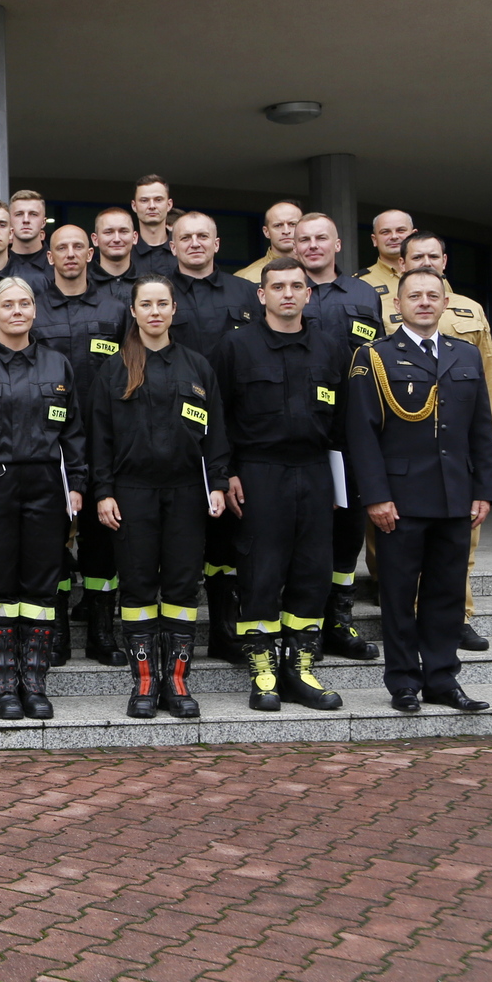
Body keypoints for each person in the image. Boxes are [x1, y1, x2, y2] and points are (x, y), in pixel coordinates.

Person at [345, 266, 492, 713]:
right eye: (416, 296)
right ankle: (404, 683)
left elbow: (480, 429)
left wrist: (483, 490)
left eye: (434, 295)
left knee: (447, 594)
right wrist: (375, 496)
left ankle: (442, 680)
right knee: (397, 595)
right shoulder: (374, 356)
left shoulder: (465, 355)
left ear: (446, 303)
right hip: (400, 499)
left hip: (455, 497)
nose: (425, 302)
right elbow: (362, 434)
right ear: (398, 304)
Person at [89, 275, 229, 719]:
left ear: (174, 310)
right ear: (133, 311)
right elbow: (100, 439)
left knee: (183, 586)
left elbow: (216, 434)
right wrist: (104, 493)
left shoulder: (197, 366)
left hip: (187, 493)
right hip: (132, 494)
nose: (154, 311)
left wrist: (218, 484)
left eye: (162, 303)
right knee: (137, 587)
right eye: (145, 304)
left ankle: (177, 681)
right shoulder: (113, 369)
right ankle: (145, 683)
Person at [215, 257, 348, 714]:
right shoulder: (236, 347)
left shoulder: (330, 348)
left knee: (313, 571)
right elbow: (218, 418)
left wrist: (340, 485)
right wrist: (226, 472)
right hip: (258, 471)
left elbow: (344, 424)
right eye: (278, 286)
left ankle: (301, 668)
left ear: (308, 295)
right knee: (261, 571)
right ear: (262, 295)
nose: (287, 293)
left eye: (296, 286)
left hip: (314, 471)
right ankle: (264, 670)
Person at [0, 275, 84, 720]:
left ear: (34, 310)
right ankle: (4, 683)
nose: (18, 311)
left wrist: (77, 485)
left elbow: (73, 432)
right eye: (8, 305)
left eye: (25, 303)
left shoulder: (57, 365)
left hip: (45, 484)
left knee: (42, 585)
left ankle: (35, 680)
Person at [379, 230, 492, 652]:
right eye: (417, 257)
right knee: (397, 572)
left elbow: (487, 389)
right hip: (405, 478)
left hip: (454, 475)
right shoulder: (379, 328)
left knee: (453, 569)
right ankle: (404, 677)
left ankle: (452, 642)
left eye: (433, 257)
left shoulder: (468, 324)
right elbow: (367, 424)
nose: (424, 298)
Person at [32, 223, 129, 665]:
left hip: (102, 441)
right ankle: (56, 636)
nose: (70, 254)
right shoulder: (32, 309)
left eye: (77, 247)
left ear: (90, 254)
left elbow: (132, 372)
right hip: (45, 444)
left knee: (100, 539)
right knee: (50, 538)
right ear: (48, 257)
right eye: (60, 248)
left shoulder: (116, 308)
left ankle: (102, 633)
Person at [164, 212, 258, 660]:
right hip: (169, 437)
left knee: (227, 540)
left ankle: (226, 630)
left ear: (217, 243)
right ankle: (167, 639)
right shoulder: (157, 294)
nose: (195, 243)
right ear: (172, 245)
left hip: (232, 431)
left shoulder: (244, 294)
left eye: (203, 236)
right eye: (186, 237)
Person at [294, 214, 384, 660]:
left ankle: (339, 619)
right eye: (304, 240)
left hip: (351, 430)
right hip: (301, 428)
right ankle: (302, 622)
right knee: (303, 530)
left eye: (320, 239)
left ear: (338, 245)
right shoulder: (286, 288)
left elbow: (379, 357)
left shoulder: (364, 294)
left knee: (347, 532)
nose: (312, 246)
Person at [234, 200, 304, 282]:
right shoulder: (245, 278)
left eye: (292, 224)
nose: (286, 231)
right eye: (278, 225)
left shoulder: (317, 269)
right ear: (266, 232)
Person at [89, 208, 149, 295]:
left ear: (135, 237)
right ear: (95, 239)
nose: (116, 239)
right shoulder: (84, 285)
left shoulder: (149, 285)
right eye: (108, 232)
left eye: (123, 231)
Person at [130, 175, 178, 274]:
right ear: (134, 206)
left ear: (169, 205)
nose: (152, 206)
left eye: (158, 199)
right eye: (144, 200)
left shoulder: (183, 248)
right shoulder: (125, 250)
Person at [6, 191, 51, 285]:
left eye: (33, 214)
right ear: (9, 221)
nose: (26, 220)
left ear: (43, 222)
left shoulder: (57, 264)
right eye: (19, 214)